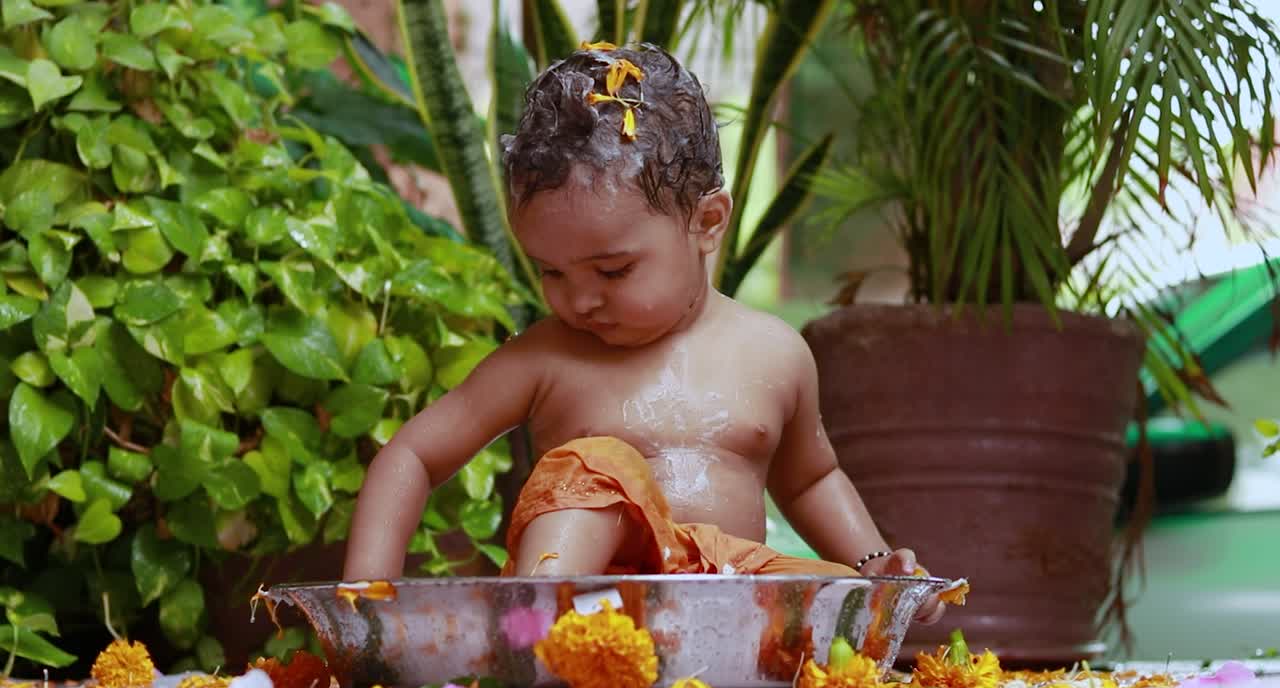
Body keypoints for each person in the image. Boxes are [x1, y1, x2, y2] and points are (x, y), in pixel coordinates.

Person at [343, 42, 943, 624]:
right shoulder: (546, 358)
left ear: (706, 222)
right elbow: (413, 454)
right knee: (596, 467)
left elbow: (810, 478)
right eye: (550, 271)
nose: (578, 299)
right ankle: (538, 630)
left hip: (727, 605)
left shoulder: (775, 353)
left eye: (613, 270)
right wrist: (364, 600)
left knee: (836, 596)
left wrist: (875, 567)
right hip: (586, 602)